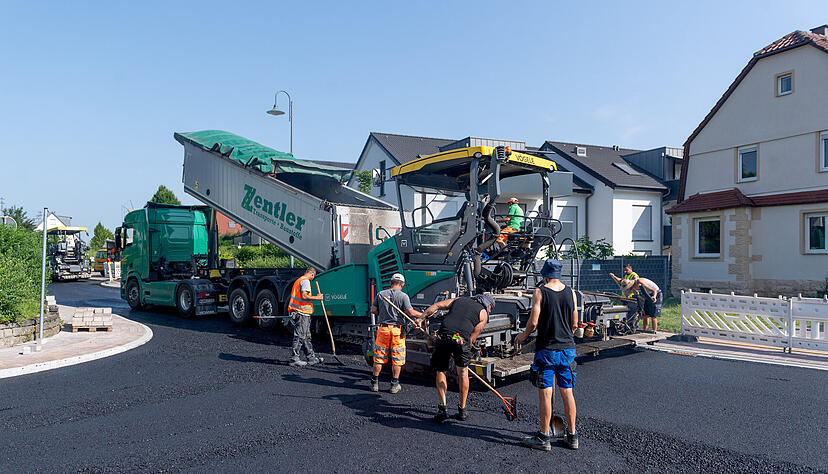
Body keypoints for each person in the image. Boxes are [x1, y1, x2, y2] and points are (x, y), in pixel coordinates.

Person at [516, 259, 579, 451]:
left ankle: (543, 437)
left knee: (546, 393)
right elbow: (575, 323)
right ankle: (573, 436)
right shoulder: (572, 293)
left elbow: (533, 322)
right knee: (567, 392)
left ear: (544, 275)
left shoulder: (540, 292)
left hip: (547, 351)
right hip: (568, 350)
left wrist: (522, 336)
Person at [418, 293, 494, 423]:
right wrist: (459, 349)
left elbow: (436, 306)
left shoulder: (458, 300)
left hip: (444, 335)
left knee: (441, 371)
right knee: (463, 373)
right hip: (460, 339)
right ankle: (462, 410)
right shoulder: (483, 314)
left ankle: (443, 409)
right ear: (488, 305)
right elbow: (471, 340)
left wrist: (420, 319)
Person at [370, 273, 422, 393]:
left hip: (383, 329)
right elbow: (410, 312)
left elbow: (373, 310)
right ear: (402, 284)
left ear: (390, 283)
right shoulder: (403, 296)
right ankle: (394, 385)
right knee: (397, 358)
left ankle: (374, 383)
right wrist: (424, 315)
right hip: (397, 331)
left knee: (378, 358)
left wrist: (382, 314)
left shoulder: (381, 294)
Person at [287, 267, 324, 367]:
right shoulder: (305, 281)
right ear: (312, 274)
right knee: (299, 336)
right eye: (314, 276)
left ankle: (311, 357)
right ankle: (294, 359)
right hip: (301, 312)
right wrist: (317, 297)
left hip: (303, 313)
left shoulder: (299, 280)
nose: (313, 278)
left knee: (306, 337)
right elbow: (304, 296)